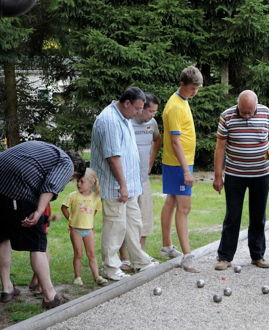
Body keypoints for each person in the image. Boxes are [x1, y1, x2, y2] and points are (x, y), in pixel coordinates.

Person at [0, 141, 86, 309]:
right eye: (72, 178)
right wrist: (39, 212)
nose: (69, 181)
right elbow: (51, 185)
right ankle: (50, 296)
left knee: (2, 238)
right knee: (37, 245)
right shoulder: (66, 163)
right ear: (74, 171)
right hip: (18, 189)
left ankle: (7, 288)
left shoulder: (47, 152)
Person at [91, 86, 158, 281]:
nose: (139, 112)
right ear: (127, 103)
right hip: (116, 185)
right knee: (115, 226)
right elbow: (113, 157)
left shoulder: (125, 117)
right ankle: (111, 268)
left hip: (129, 184)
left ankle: (139, 260)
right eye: (137, 108)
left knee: (133, 223)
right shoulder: (110, 120)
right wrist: (123, 185)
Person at [213, 90, 269, 271]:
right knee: (232, 216)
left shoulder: (266, 112)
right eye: (243, 112)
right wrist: (218, 176)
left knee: (258, 216)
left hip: (262, 174)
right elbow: (220, 147)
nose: (247, 116)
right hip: (235, 174)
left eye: (250, 112)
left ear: (256, 106)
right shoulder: (227, 116)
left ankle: (257, 255)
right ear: (238, 105)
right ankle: (225, 257)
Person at [159, 66, 203, 273]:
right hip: (178, 163)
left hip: (179, 162)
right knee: (184, 208)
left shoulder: (181, 101)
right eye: (192, 88)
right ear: (182, 84)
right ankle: (187, 256)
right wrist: (186, 171)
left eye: (197, 88)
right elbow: (175, 142)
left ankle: (167, 246)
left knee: (172, 201)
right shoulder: (175, 106)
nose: (195, 92)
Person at [118, 93, 161, 270]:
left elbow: (157, 140)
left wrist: (151, 161)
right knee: (124, 219)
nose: (152, 115)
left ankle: (140, 256)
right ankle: (124, 258)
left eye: (155, 112)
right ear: (141, 108)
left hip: (143, 179)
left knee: (144, 219)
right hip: (128, 180)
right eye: (150, 111)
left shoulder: (152, 124)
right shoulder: (128, 122)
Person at [61, 168, 108, 286]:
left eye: (82, 181)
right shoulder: (72, 196)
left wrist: (89, 224)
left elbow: (94, 212)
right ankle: (77, 277)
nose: (78, 184)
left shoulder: (96, 198)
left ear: (91, 183)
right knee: (78, 254)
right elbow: (63, 207)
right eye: (78, 181)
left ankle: (97, 276)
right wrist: (71, 220)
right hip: (75, 230)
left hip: (88, 231)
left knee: (91, 254)